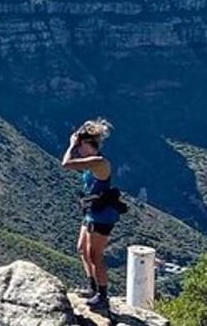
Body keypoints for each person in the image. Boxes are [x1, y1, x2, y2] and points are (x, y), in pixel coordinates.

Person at [60, 118, 119, 311]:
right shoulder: (91, 159)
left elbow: (66, 163)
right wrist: (77, 142)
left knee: (96, 255)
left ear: (88, 144)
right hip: (92, 210)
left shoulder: (99, 162)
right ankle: (92, 288)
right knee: (82, 249)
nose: (78, 148)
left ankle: (102, 295)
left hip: (103, 215)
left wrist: (71, 144)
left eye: (81, 145)